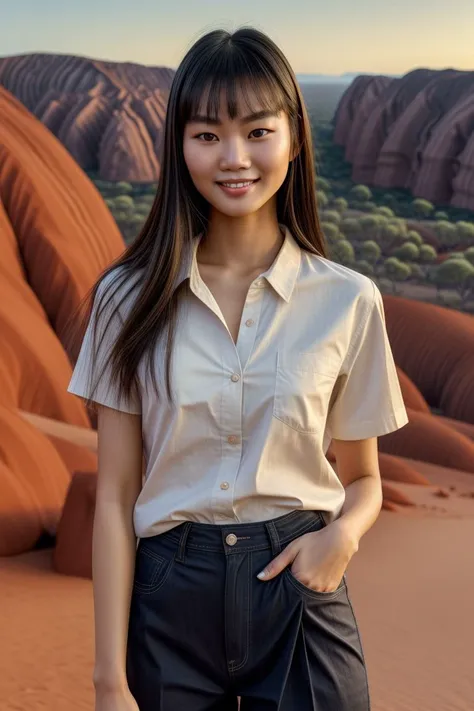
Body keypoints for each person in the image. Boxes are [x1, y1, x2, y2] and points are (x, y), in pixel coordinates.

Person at [67, 26, 409, 711]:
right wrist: (108, 679)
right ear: (179, 144)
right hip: (168, 598)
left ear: (294, 137)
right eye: (206, 135)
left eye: (257, 131)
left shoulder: (348, 300)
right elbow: (113, 495)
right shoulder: (125, 299)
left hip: (300, 592)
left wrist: (340, 537)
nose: (235, 158)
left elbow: (365, 478)